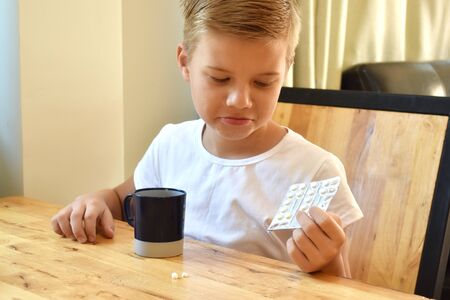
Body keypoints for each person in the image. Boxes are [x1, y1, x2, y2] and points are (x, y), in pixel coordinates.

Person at [51, 0, 363, 277]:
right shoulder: (171, 145)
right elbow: (121, 201)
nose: (240, 100)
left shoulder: (314, 171)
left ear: (286, 70)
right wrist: (93, 201)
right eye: (220, 78)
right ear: (185, 63)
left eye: (263, 83)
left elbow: (344, 284)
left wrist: (328, 261)